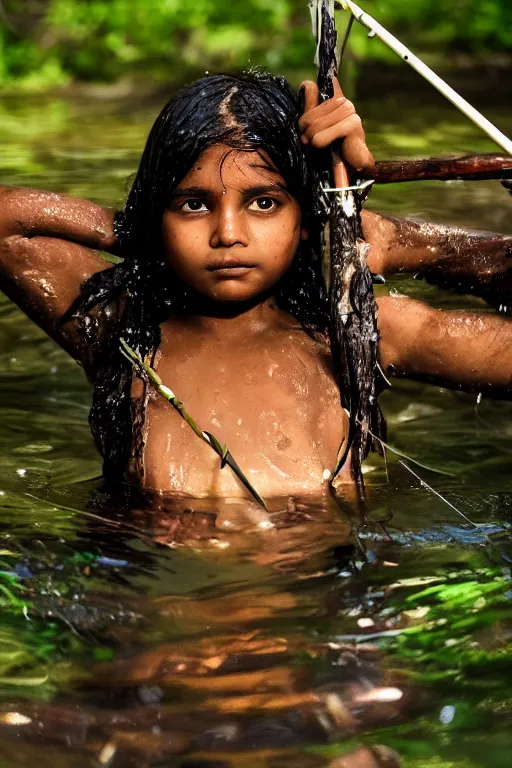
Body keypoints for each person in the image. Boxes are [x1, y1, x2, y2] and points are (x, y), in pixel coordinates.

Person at [1, 72, 511, 501]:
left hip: (317, 610)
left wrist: (394, 239)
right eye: (193, 204)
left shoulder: (353, 334)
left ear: (305, 217)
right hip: (153, 608)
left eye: (263, 202)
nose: (227, 234)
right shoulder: (125, 332)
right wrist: (135, 227)